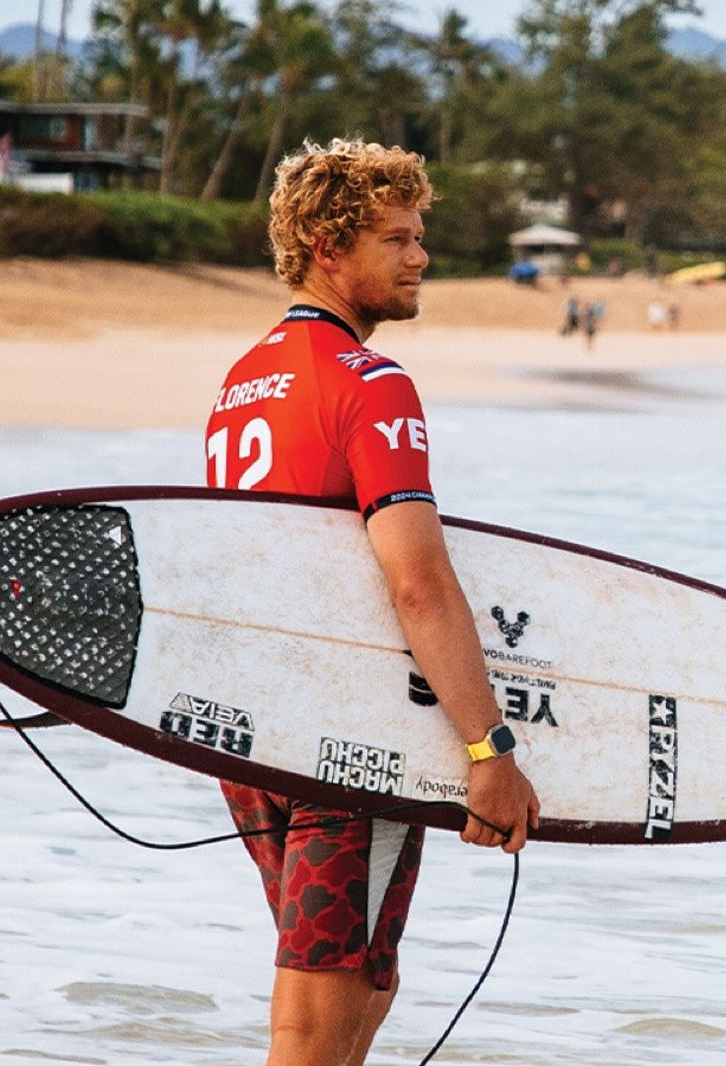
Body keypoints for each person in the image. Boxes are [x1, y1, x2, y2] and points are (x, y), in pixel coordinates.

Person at [205, 138, 539, 1066]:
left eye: (417, 235)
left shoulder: (243, 381)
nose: (421, 256)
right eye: (397, 238)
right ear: (327, 245)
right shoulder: (369, 382)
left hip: (250, 728)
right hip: (345, 732)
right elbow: (417, 582)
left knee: (353, 974)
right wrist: (489, 749)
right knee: (323, 1003)